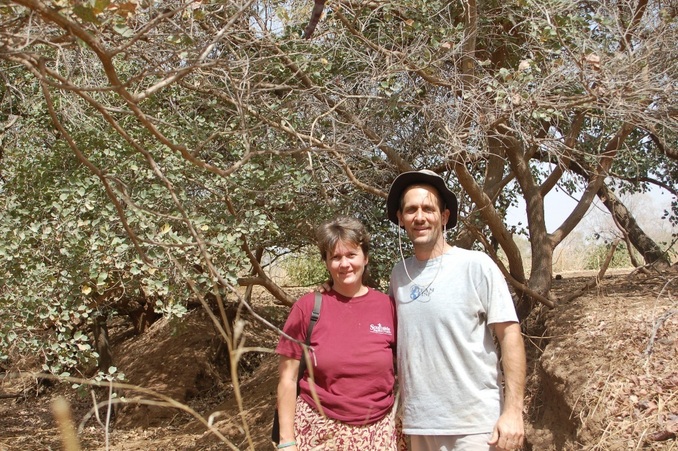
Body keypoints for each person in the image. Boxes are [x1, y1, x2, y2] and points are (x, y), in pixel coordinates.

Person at [386, 170, 526, 451]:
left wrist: (513, 412)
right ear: (401, 219)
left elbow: (510, 334)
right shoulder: (399, 275)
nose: (420, 216)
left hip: (475, 427)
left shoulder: (476, 265)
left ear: (445, 216)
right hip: (419, 424)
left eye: (428, 208)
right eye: (411, 210)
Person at [275, 216, 400, 450]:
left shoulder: (388, 307)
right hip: (319, 433)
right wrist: (286, 442)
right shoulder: (307, 308)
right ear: (326, 263)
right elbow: (287, 379)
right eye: (335, 257)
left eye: (351, 255)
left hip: (380, 435)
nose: (344, 264)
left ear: (365, 257)